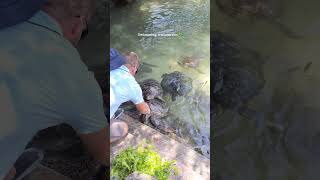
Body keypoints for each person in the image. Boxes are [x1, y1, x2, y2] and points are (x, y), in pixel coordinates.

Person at [0, 0, 109, 179]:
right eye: (85, 32)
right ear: (77, 23)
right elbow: (105, 154)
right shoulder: (72, 73)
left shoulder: (7, 20)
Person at [109, 49, 150, 143]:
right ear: (134, 68)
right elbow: (144, 110)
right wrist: (148, 108)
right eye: (136, 71)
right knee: (123, 128)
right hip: (91, 123)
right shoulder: (133, 85)